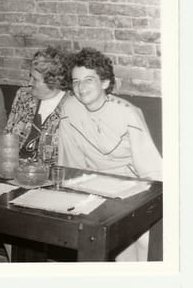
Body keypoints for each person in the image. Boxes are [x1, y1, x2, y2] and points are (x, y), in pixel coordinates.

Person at [58, 48, 162, 261]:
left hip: (135, 186)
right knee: (114, 248)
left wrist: (152, 209)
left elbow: (150, 167)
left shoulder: (127, 113)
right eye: (75, 81)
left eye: (89, 79)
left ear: (105, 83)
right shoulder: (69, 108)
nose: (80, 87)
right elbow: (70, 162)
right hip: (94, 187)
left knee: (142, 242)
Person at [0, 47, 70, 262]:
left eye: (35, 79)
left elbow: (63, 159)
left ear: (53, 82)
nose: (29, 83)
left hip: (44, 181)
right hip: (12, 172)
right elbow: (9, 134)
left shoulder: (71, 106)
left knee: (10, 214)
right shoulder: (24, 95)